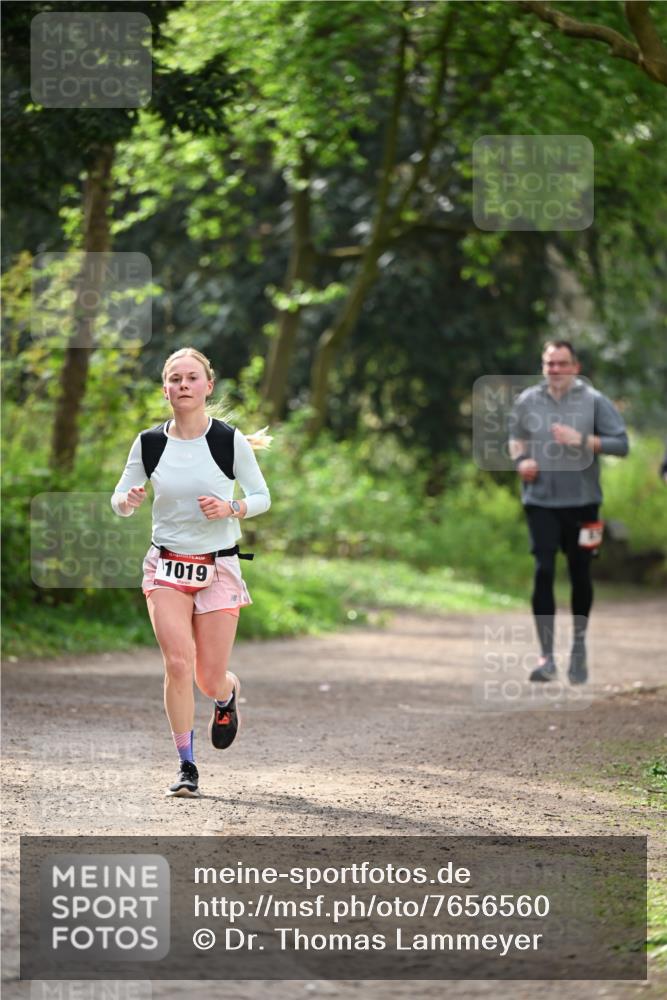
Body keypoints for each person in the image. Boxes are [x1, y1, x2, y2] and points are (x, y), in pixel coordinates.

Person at [111, 347, 271, 797]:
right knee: (178, 664)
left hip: (219, 566)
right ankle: (186, 766)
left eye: (191, 378)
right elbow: (120, 496)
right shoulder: (150, 443)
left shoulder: (227, 441)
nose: (183, 385)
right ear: (165, 389)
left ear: (207, 386)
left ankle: (226, 693)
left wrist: (231, 507)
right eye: (175, 379)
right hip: (166, 565)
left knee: (207, 676)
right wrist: (127, 502)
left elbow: (261, 496)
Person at [508, 340, 628, 684]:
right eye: (550, 364)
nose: (555, 370)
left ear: (576, 367)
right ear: (543, 366)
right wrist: (521, 461)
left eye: (562, 364)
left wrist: (584, 440)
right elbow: (515, 437)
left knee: (581, 572)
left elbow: (622, 444)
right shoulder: (527, 401)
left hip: (585, 503)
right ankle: (546, 657)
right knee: (543, 570)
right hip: (540, 501)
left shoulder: (594, 401)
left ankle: (578, 649)